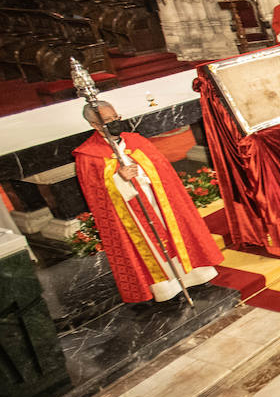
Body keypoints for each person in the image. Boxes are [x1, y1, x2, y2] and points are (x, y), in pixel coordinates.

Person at [73, 101, 222, 304]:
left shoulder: (136, 141)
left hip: (158, 202)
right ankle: (166, 288)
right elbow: (95, 193)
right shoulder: (88, 155)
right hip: (130, 213)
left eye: (116, 117)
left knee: (175, 234)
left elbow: (162, 171)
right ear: (95, 125)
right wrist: (117, 178)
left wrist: (142, 170)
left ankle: (195, 276)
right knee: (150, 248)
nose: (116, 123)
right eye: (108, 121)